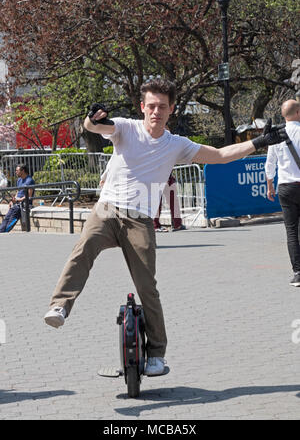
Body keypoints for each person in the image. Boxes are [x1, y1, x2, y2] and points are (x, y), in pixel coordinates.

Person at [44, 78, 288, 375]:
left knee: (148, 287)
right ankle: (60, 306)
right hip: (107, 210)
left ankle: (157, 355)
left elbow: (221, 156)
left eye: (162, 106)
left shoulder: (176, 145)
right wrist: (92, 117)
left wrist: (259, 142)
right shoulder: (125, 128)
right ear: (142, 107)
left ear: (171, 109)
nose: (156, 111)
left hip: (140, 219)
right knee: (83, 250)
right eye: (151, 106)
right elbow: (97, 127)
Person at [266, 99, 300, 287]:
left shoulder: (276, 135)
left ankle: (297, 272)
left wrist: (270, 184)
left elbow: (270, 162)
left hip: (286, 186)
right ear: (297, 113)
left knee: (291, 230)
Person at [0, 164, 34, 233]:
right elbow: (18, 192)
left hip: (23, 204)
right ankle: (1, 232)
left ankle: (4, 233)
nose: (15, 172)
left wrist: (19, 200)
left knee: (11, 220)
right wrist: (12, 201)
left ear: (23, 171)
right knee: (6, 218)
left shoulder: (30, 180)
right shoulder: (19, 180)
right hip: (16, 204)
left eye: (17, 170)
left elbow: (29, 196)